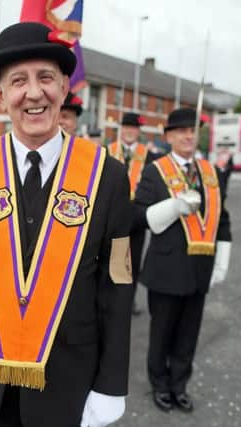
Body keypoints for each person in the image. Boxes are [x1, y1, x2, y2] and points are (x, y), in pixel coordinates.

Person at [0, 22, 134, 427]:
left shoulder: (109, 175)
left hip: (69, 377)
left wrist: (110, 383)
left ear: (65, 86)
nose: (34, 93)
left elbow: (117, 288)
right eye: (18, 81)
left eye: (46, 77)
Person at [134, 107, 232, 414]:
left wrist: (222, 261)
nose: (188, 136)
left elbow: (223, 219)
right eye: (180, 131)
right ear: (168, 137)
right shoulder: (155, 170)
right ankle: (160, 385)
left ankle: (179, 385)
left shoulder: (211, 171)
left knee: (189, 334)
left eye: (192, 130)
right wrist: (175, 206)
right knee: (162, 333)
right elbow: (139, 217)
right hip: (166, 269)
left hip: (200, 267)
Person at [108, 112, 152, 316]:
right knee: (109, 259)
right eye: (126, 127)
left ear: (138, 131)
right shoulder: (106, 151)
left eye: (133, 128)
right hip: (111, 217)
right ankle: (110, 298)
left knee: (132, 262)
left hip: (136, 219)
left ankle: (128, 301)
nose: (129, 131)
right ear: (120, 129)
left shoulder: (150, 156)